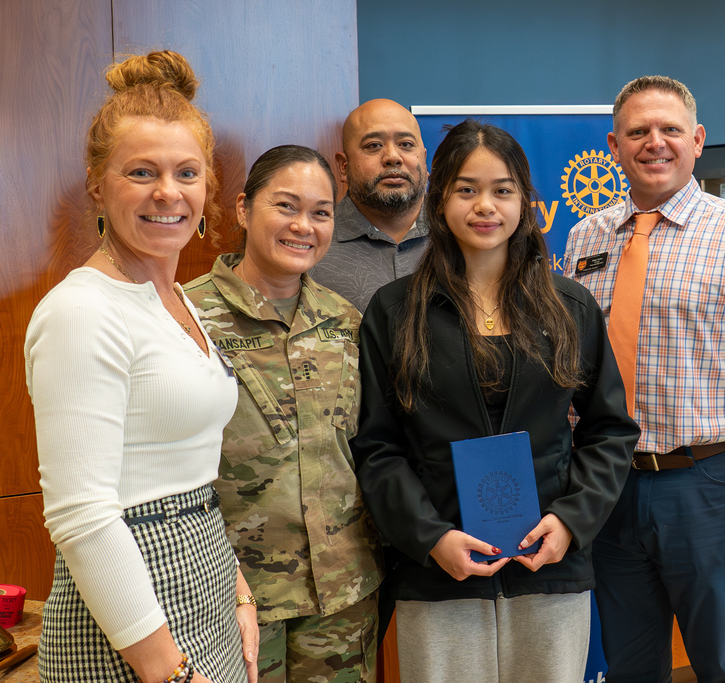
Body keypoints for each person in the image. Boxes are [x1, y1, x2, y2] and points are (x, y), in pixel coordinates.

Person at [351, 119, 640, 683]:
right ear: (440, 199)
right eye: (467, 189)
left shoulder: (569, 305)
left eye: (502, 190)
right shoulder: (393, 311)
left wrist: (570, 521)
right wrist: (430, 537)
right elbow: (376, 446)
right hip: (438, 571)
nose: (485, 206)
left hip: (547, 564)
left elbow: (610, 431)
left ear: (525, 202)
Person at [564, 75, 725, 683]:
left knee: (723, 665)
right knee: (627, 664)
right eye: (638, 132)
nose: (655, 143)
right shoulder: (585, 238)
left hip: (710, 486)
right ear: (614, 145)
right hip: (607, 485)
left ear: (697, 140)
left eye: (670, 130)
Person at [24, 50, 258, 683]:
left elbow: (189, 469)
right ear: (98, 183)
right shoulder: (81, 311)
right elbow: (84, 518)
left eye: (187, 172)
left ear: (209, 187)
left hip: (205, 579)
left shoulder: (176, 295)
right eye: (141, 172)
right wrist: (167, 672)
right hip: (128, 618)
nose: (167, 192)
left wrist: (236, 591)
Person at [185, 144, 383, 683]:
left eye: (321, 212)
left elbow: (366, 448)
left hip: (342, 594)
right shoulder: (186, 316)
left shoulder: (343, 321)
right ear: (244, 210)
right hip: (232, 594)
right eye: (286, 207)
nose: (304, 226)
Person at [308, 99, 429, 313]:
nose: (393, 157)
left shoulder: (463, 234)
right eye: (374, 146)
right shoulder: (310, 242)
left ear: (424, 159)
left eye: (406, 145)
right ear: (344, 167)